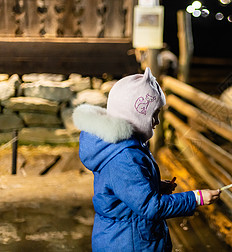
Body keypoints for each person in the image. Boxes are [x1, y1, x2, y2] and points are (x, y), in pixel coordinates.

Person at [73, 68, 221, 251]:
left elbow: (125, 188)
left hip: (125, 236)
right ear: (136, 114)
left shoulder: (120, 145)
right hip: (130, 242)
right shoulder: (124, 156)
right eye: (154, 114)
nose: (157, 122)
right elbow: (151, 207)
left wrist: (154, 186)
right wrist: (195, 198)